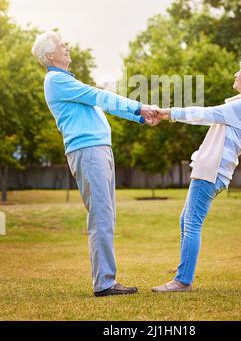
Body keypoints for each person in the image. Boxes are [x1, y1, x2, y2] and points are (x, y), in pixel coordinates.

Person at [31, 31, 158, 297]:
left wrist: (139, 117)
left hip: (97, 150)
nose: (66, 47)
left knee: (106, 216)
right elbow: (100, 96)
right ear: (48, 55)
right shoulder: (56, 80)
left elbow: (103, 103)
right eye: (60, 44)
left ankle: (106, 280)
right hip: (88, 151)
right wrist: (139, 107)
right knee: (101, 216)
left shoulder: (66, 81)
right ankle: (105, 284)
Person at [151, 57, 241, 293]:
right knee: (186, 221)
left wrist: (166, 113)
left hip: (211, 172)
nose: (235, 75)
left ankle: (182, 281)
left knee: (191, 224)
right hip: (214, 172)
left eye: (240, 72)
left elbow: (203, 114)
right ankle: (182, 274)